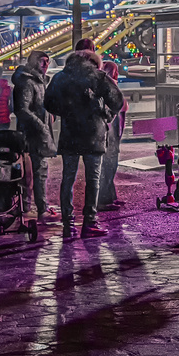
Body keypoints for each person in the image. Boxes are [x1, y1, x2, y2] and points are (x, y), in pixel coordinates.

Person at [43, 47, 125, 239]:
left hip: (70, 134)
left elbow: (48, 104)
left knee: (68, 179)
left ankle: (68, 225)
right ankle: (90, 222)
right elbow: (118, 101)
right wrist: (102, 111)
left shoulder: (60, 78)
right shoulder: (98, 77)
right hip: (93, 135)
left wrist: (67, 110)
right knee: (93, 180)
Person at [12, 51, 57, 218]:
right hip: (31, 135)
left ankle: (37, 207)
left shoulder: (40, 82)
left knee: (39, 172)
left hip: (39, 134)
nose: (45, 65)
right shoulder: (27, 82)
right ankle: (31, 208)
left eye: (47, 61)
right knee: (30, 173)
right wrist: (41, 125)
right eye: (42, 61)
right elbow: (22, 109)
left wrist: (52, 115)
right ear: (33, 62)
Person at [97, 59, 126, 212]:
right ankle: (104, 199)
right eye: (115, 71)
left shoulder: (111, 86)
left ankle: (110, 196)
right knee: (108, 165)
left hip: (114, 131)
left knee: (111, 165)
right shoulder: (107, 88)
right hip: (109, 131)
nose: (117, 74)